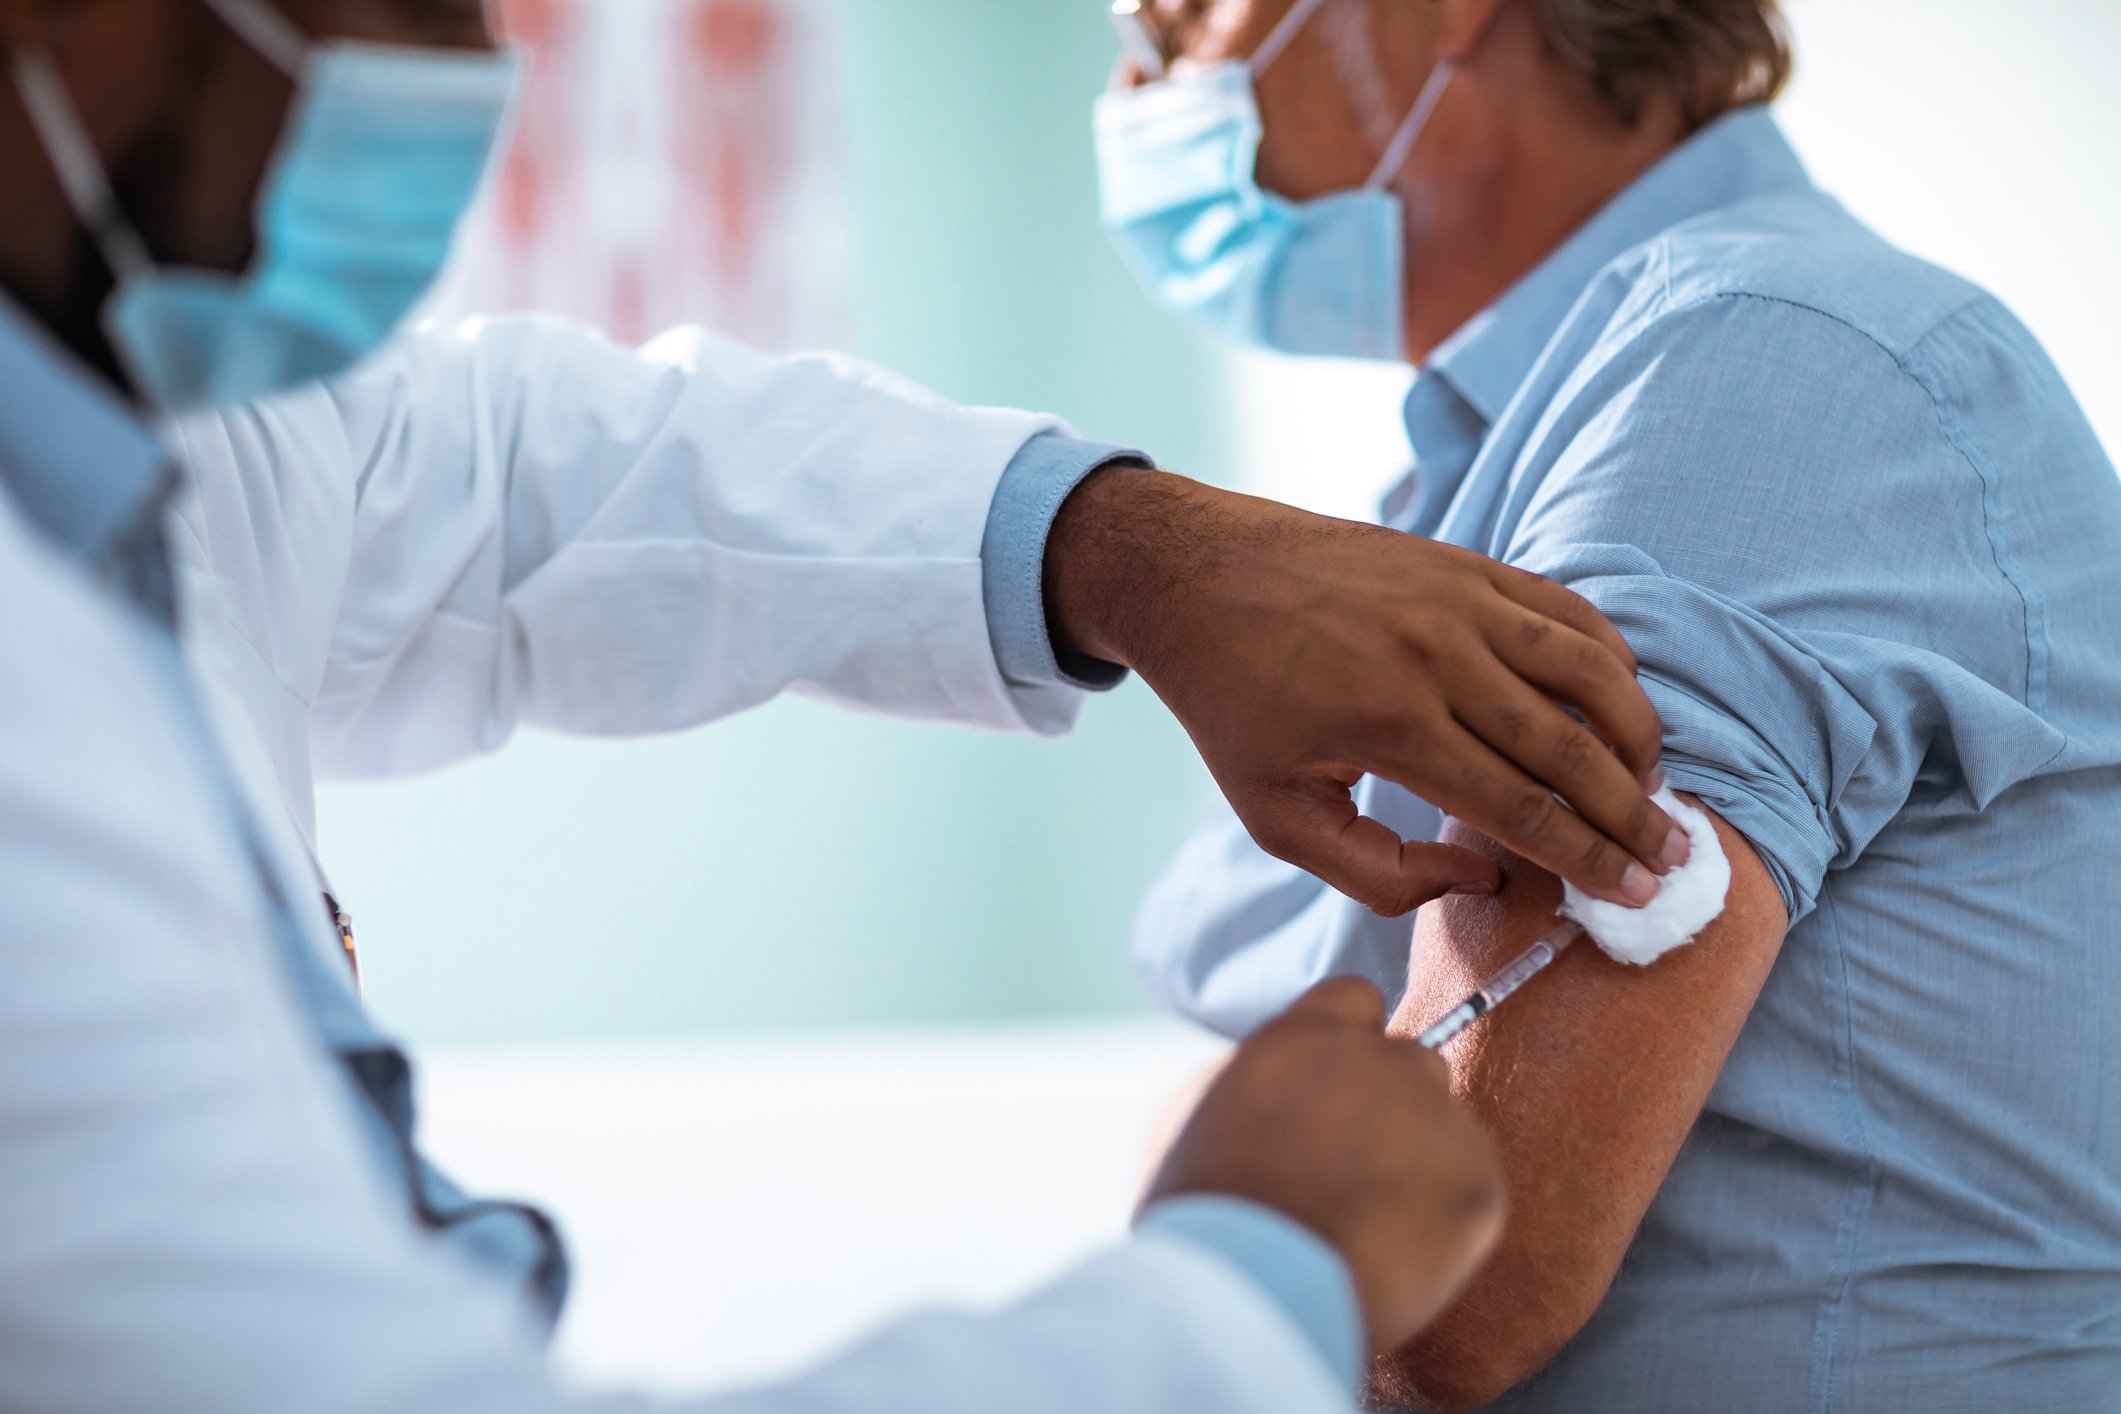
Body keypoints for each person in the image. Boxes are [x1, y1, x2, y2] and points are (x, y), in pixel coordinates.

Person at [0, 0, 1691, 1409]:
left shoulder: (119, 426)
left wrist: (1120, 549)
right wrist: (1243, 1292)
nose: (466, 66)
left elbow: (506, 471)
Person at [1119, 0, 2121, 1409]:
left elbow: (1449, 1275)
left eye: (1175, 23)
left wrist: (1195, 1181)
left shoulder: (1753, 367)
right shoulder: (1503, 455)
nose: (1133, 85)